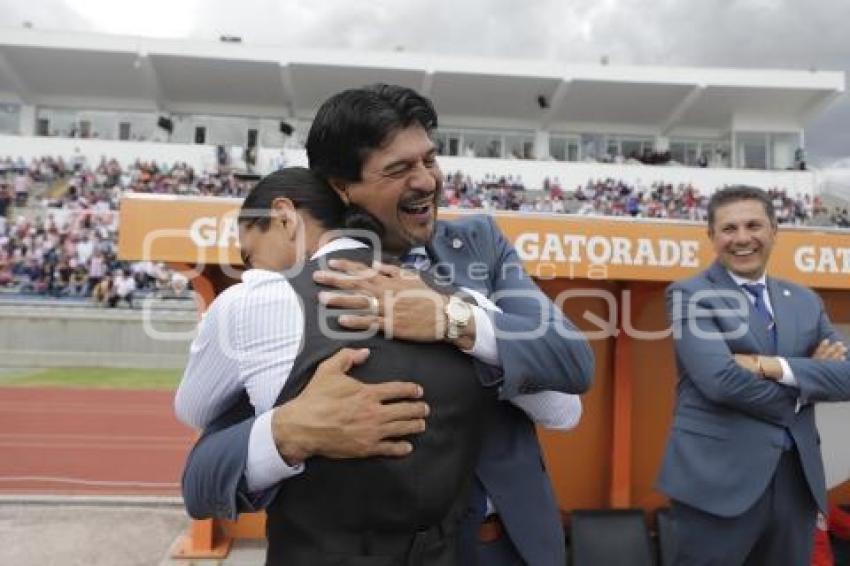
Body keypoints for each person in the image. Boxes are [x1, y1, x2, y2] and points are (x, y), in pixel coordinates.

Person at [181, 84, 594, 566]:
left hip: (503, 543)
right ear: (341, 188)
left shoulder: (479, 244)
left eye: (429, 160)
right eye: (399, 169)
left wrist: (451, 319)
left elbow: (567, 370)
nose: (426, 181)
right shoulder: (288, 295)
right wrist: (286, 431)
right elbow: (205, 471)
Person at [658, 185, 850, 565]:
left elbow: (846, 377)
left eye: (753, 225)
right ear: (711, 236)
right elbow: (721, 380)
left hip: (796, 482)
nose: (742, 238)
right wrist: (808, 385)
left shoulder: (806, 300)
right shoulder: (690, 294)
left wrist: (774, 367)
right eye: (729, 229)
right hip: (717, 481)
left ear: (775, 230)